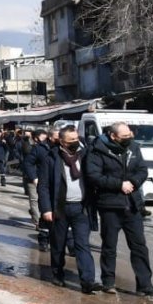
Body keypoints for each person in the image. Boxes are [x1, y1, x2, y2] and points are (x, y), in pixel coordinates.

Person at [85, 121, 153, 297]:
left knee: (139, 246)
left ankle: (145, 284)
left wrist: (133, 183)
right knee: (109, 246)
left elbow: (142, 170)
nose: (129, 138)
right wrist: (118, 185)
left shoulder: (134, 148)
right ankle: (108, 282)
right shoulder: (98, 150)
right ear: (113, 136)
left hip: (132, 204)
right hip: (110, 205)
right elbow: (93, 176)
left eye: (129, 135)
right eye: (124, 136)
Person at [37, 126, 99, 294]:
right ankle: (57, 273)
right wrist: (46, 209)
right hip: (59, 208)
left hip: (81, 207)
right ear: (62, 142)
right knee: (58, 244)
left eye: (76, 139)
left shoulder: (85, 155)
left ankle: (88, 281)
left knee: (82, 245)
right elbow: (43, 186)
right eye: (71, 140)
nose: (75, 143)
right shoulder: (51, 158)